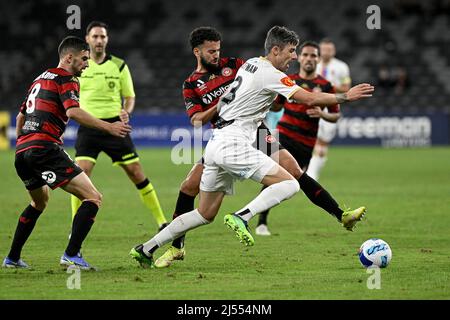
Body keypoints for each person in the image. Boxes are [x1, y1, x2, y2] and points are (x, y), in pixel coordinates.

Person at [129, 26, 374, 268]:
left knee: (205, 214)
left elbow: (265, 96)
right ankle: (241, 217)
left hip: (226, 139)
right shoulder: (256, 74)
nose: (295, 57)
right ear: (275, 50)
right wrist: (345, 97)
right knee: (289, 183)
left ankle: (146, 248)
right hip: (235, 139)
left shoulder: (247, 64)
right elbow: (307, 97)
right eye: (291, 51)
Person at [2, 36, 131, 270]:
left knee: (38, 202)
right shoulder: (67, 78)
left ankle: (12, 258)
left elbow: (21, 117)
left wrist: (24, 142)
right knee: (93, 197)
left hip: (23, 152)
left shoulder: (40, 78)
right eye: (83, 59)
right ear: (68, 57)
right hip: (44, 150)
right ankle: (71, 255)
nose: (87, 64)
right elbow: (73, 112)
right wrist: (108, 126)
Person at [70, 21, 168, 231]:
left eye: (102, 37)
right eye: (95, 36)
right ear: (87, 39)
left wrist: (127, 111)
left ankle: (162, 221)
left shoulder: (119, 65)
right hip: (89, 127)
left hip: (115, 127)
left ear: (107, 40)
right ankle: (74, 227)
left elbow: (130, 97)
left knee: (135, 172)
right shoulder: (80, 66)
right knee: (81, 175)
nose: (99, 40)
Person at [255, 41, 342, 235]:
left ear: (318, 59)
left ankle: (254, 218)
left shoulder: (326, 85)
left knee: (294, 181)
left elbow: (336, 115)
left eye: (313, 55)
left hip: (307, 143)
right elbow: (276, 106)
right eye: (306, 55)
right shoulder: (288, 80)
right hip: (284, 135)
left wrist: (323, 114)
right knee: (275, 176)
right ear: (300, 58)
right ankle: (261, 221)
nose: (309, 59)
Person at [306, 38, 351, 181]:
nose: (326, 52)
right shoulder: (313, 64)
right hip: (313, 106)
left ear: (334, 51)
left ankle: (313, 171)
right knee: (314, 140)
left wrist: (328, 85)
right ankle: (311, 174)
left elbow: (346, 88)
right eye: (324, 49)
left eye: (329, 50)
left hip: (330, 107)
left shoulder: (341, 67)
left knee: (323, 142)